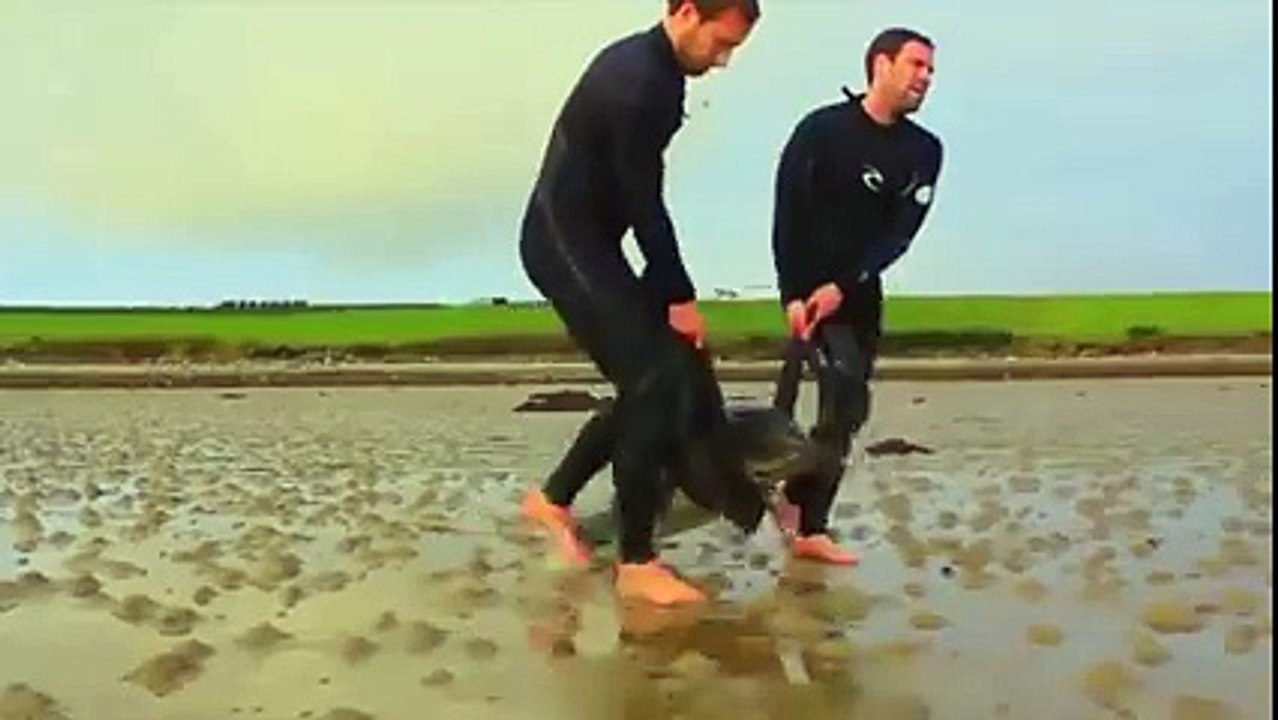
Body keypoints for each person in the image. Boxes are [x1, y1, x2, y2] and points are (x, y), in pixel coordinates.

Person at [517, 0, 762, 606]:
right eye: (721, 44)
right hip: (562, 243)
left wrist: (663, 287)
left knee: (661, 375)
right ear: (684, 12)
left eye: (734, 49)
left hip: (596, 243)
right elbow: (642, 196)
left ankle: (553, 502)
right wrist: (676, 292)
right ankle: (636, 560)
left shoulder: (661, 74)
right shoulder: (638, 81)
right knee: (654, 379)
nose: (724, 61)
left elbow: (634, 199)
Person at [770, 27, 945, 565]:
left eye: (930, 71)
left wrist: (845, 285)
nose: (924, 78)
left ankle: (799, 508)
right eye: (916, 65)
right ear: (881, 64)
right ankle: (801, 516)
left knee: (848, 411)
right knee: (839, 390)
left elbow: (900, 233)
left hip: (859, 295)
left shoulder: (923, 150)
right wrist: (793, 292)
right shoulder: (821, 131)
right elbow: (788, 213)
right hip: (808, 293)